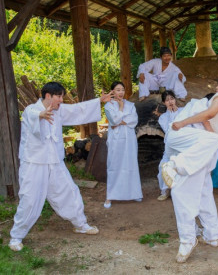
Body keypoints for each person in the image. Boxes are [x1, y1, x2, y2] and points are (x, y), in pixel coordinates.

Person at [9, 82, 113, 252]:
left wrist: (99, 101)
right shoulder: (31, 110)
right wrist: (42, 114)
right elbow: (33, 116)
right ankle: (16, 236)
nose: (61, 101)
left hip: (54, 162)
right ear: (48, 96)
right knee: (29, 198)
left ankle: (80, 224)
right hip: (34, 164)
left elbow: (78, 110)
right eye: (59, 97)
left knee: (69, 191)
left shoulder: (59, 110)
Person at [162, 75, 218, 263]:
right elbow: (207, 123)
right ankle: (207, 235)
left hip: (195, 145)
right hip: (196, 145)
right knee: (201, 191)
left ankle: (196, 238)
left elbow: (207, 117)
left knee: (193, 191)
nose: (216, 88)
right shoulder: (207, 103)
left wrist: (183, 123)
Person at [104, 81, 142, 209]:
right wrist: (120, 109)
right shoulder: (108, 106)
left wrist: (119, 120)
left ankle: (134, 193)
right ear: (112, 92)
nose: (120, 92)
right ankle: (110, 196)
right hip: (116, 139)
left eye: (122, 90)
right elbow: (113, 120)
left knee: (130, 164)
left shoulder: (131, 105)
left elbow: (134, 120)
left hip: (129, 138)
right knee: (114, 165)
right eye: (117, 90)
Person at [156, 90, 183, 201]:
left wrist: (175, 113)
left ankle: (180, 191)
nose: (170, 102)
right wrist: (171, 114)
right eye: (167, 100)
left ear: (175, 99)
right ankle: (165, 191)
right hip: (170, 147)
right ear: (164, 103)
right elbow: (170, 129)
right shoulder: (162, 118)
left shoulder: (183, 111)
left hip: (182, 146)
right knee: (163, 165)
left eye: (172, 98)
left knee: (180, 167)